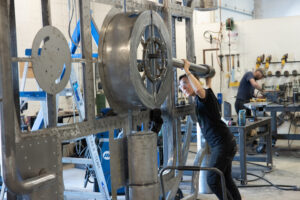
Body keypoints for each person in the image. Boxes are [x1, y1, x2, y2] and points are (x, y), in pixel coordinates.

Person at [179, 59, 241, 200]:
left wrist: (187, 70)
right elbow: (205, 88)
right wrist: (208, 79)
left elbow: (200, 89)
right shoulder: (204, 95)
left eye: (185, 84)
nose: (182, 88)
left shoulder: (203, 96)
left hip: (223, 144)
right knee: (225, 178)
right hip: (225, 142)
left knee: (212, 180)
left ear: (193, 82)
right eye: (180, 87)